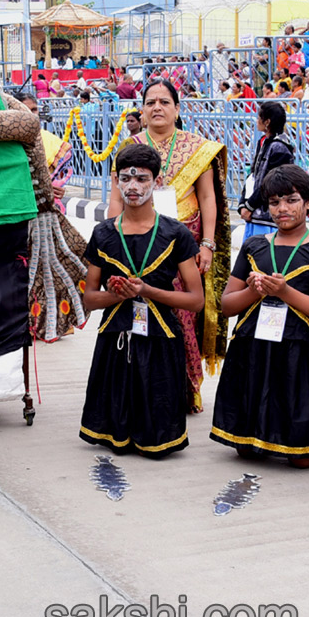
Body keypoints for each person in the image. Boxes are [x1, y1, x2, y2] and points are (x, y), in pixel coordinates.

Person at [108, 79, 230, 413]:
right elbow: (116, 198)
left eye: (164, 102)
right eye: (150, 102)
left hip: (184, 241)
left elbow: (207, 197)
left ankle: (185, 389)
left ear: (177, 109)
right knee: (140, 311)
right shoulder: (128, 148)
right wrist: (113, 244)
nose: (157, 107)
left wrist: (206, 244)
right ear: (142, 111)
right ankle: (142, 387)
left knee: (182, 314)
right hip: (137, 241)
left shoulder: (197, 148)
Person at [213, 165, 309, 467]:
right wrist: (255, 292)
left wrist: (286, 293)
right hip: (253, 345)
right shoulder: (254, 246)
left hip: (300, 350)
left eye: (291, 200)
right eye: (274, 202)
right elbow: (227, 305)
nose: (282, 209)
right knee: (244, 449)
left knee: (301, 459)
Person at [79, 143, 204, 456]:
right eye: (126, 178)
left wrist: (146, 291)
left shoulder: (176, 233)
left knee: (156, 443)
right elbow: (90, 299)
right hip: (115, 337)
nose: (133, 186)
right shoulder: (104, 233)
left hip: (161, 337)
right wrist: (116, 294)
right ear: (117, 181)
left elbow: (195, 300)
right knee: (115, 441)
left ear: (157, 183)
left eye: (142, 179)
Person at [238, 101, 295, 239]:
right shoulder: (263, 142)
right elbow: (254, 176)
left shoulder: (280, 148)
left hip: (267, 218)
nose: (257, 120)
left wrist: (250, 206)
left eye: (259, 117)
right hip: (255, 215)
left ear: (267, 122)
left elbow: (271, 183)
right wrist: (243, 204)